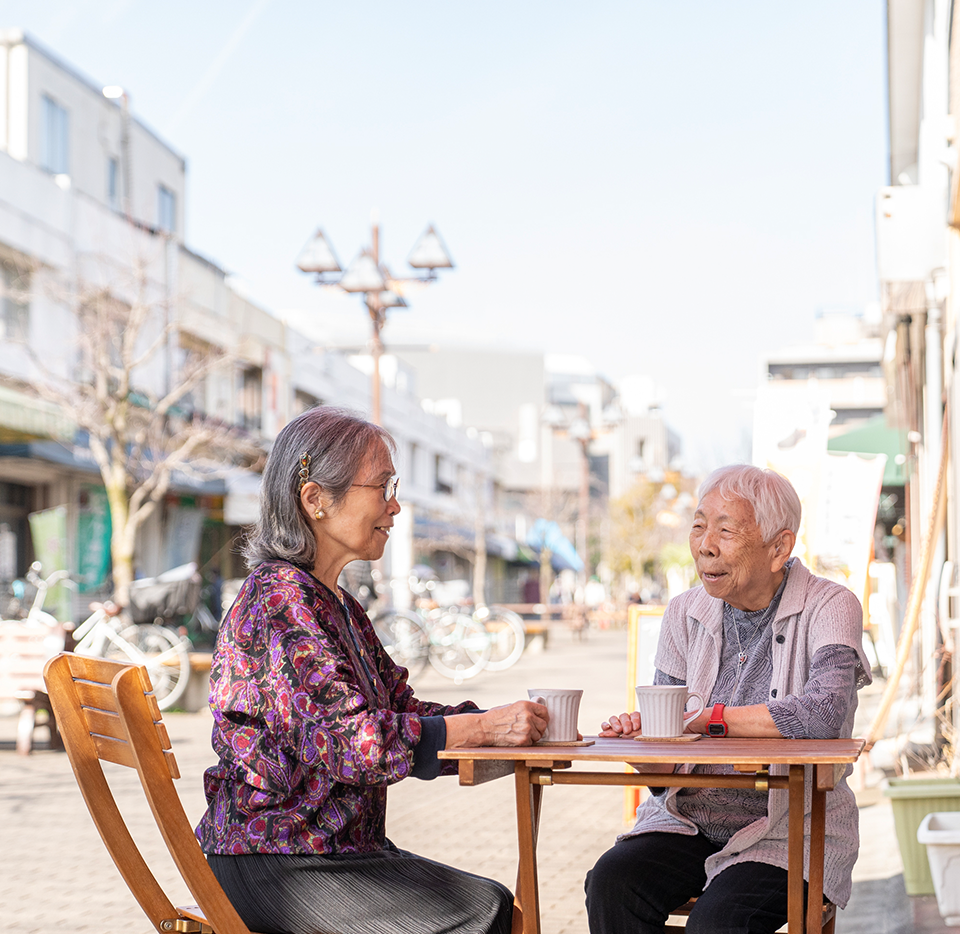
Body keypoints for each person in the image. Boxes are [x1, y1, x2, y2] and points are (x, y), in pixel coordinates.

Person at [196, 406, 548, 934]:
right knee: (484, 914)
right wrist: (481, 729)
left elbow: (401, 713)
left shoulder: (333, 603)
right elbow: (354, 744)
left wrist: (500, 725)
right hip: (277, 859)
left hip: (331, 852)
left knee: (491, 904)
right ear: (315, 499)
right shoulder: (278, 602)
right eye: (381, 486)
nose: (395, 505)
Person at [585, 465, 872, 934]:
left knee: (718, 922)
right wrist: (645, 743)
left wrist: (706, 720)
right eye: (698, 526)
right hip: (687, 820)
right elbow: (668, 756)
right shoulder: (683, 612)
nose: (705, 545)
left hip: (788, 829)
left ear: (779, 547)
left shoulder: (831, 605)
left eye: (726, 530)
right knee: (611, 882)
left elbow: (824, 713)